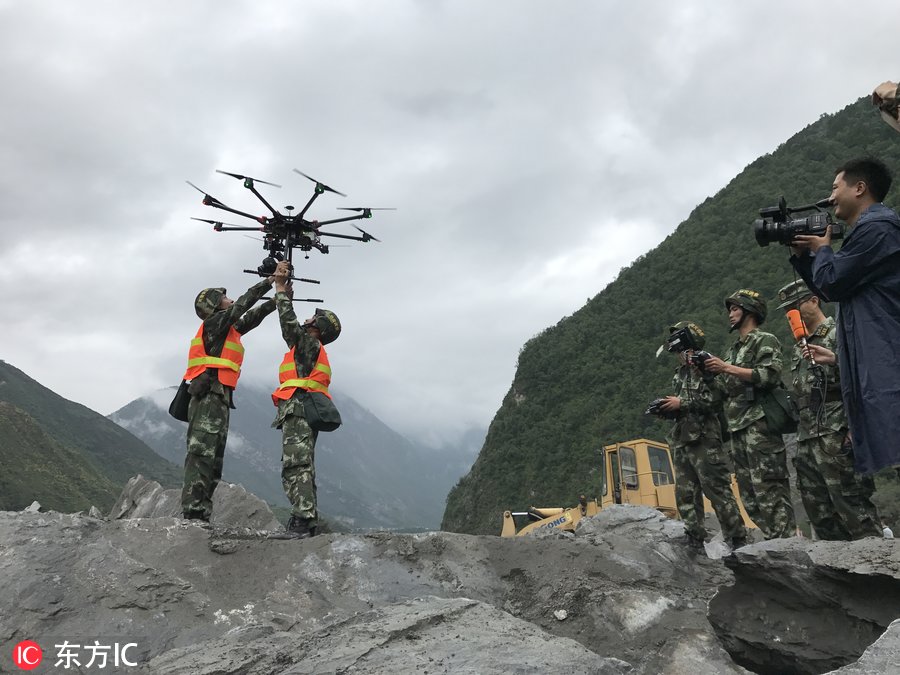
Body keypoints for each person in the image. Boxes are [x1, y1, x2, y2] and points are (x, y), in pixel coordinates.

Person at [790, 158, 900, 475]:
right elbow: (830, 288)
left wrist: (823, 249)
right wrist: (805, 257)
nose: (831, 196)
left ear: (859, 188)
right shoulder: (867, 233)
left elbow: (833, 281)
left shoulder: (877, 230)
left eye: (835, 187)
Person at [776, 279, 881, 540]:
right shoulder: (799, 347)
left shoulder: (840, 333)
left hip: (838, 433)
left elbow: (865, 378)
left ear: (814, 300)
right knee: (819, 511)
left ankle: (877, 564)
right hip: (807, 438)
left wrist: (855, 429)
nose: (791, 314)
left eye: (795, 306)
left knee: (854, 506)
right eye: (787, 310)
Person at [181, 277, 277, 523]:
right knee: (201, 454)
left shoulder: (226, 329)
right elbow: (242, 306)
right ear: (213, 306)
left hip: (219, 397)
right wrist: (268, 282)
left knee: (214, 459)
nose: (230, 299)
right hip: (208, 397)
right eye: (224, 297)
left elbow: (251, 317)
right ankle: (193, 512)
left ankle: (202, 513)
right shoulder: (214, 323)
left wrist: (277, 300)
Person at [704, 289, 797, 540]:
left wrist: (726, 368)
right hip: (737, 427)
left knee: (769, 487)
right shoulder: (733, 350)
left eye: (735, 309)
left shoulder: (764, 340)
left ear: (750, 311)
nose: (730, 314)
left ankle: (787, 544)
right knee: (749, 495)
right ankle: (772, 540)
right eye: (729, 310)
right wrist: (709, 375)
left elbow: (769, 375)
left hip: (760, 424)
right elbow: (723, 390)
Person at [658, 321, 749, 551]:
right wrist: (669, 409)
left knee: (717, 490)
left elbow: (717, 399)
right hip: (682, 437)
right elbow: (684, 402)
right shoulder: (680, 373)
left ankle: (737, 539)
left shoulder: (708, 365)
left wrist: (682, 403)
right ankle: (693, 536)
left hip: (705, 439)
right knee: (685, 492)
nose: (677, 352)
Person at [269, 262, 342, 539]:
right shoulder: (311, 348)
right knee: (303, 465)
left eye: (312, 318)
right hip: (301, 407)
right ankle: (305, 520)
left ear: (317, 327)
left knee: (296, 465)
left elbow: (289, 326)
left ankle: (302, 522)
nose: (307, 320)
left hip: (298, 408)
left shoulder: (309, 345)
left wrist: (280, 290)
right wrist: (285, 297)